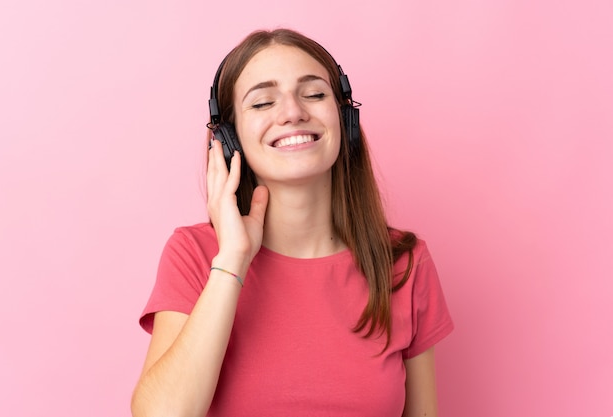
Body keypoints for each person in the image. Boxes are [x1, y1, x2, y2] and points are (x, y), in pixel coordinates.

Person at [131, 28, 453, 417]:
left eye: (315, 94)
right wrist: (232, 260)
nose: (293, 112)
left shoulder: (404, 262)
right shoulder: (195, 254)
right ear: (229, 139)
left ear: (345, 118)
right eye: (263, 102)